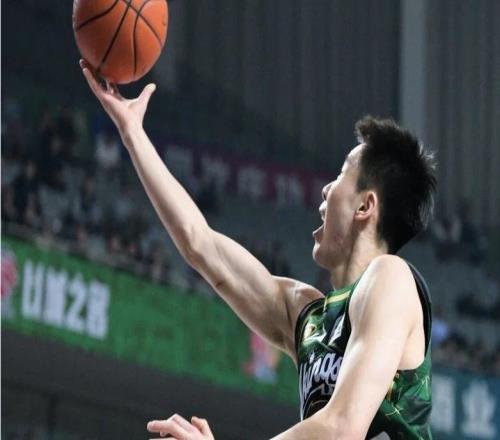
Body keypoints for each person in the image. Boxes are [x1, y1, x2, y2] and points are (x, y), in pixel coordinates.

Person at [80, 60, 437, 440]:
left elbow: (342, 428)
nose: (325, 189)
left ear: (365, 206)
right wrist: (132, 132)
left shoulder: (391, 278)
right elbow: (200, 244)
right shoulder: (310, 318)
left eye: (339, 176)